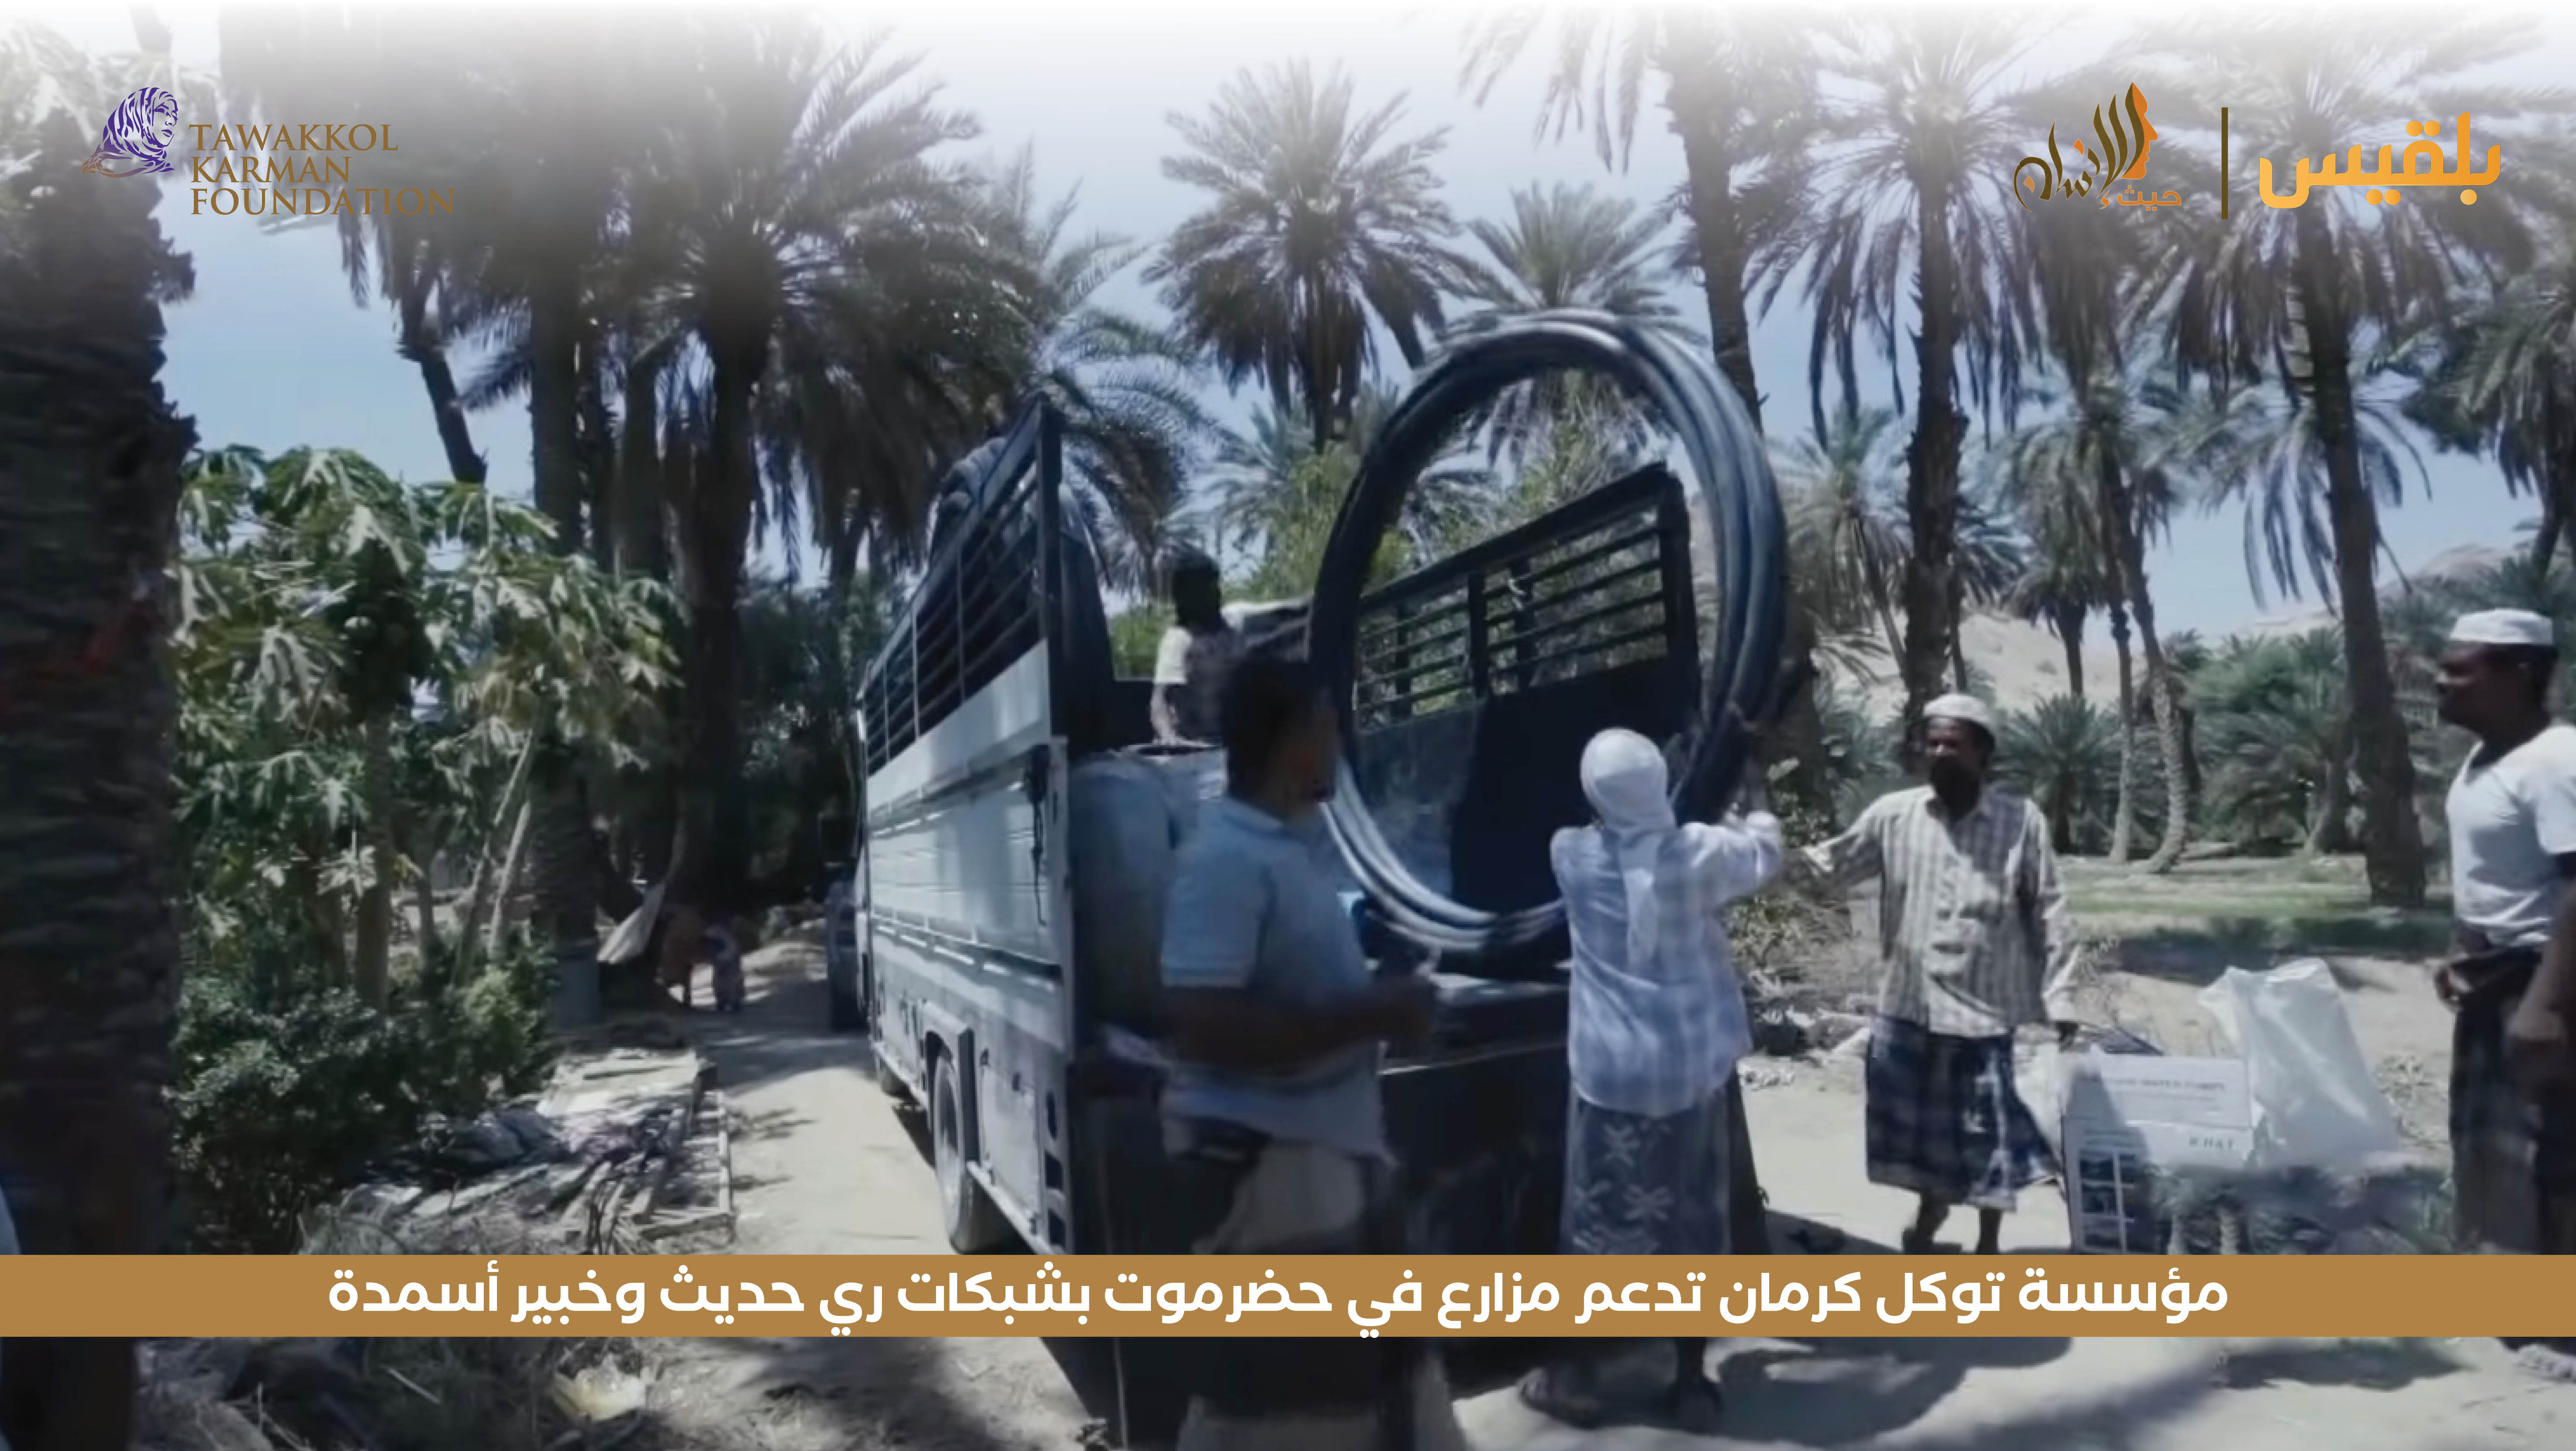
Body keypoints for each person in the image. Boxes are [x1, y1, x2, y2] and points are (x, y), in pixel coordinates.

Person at [1157, 655, 1461, 1451]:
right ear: (1295, 740)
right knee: (1283, 1414)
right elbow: (1201, 1023)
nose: (1338, 743)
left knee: (1391, 1389)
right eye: (1329, 726)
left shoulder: (1281, 849)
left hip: (1330, 1158)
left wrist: (1378, 1004)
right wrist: (1374, 1012)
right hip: (1274, 1175)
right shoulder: (1226, 859)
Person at [1520, 727, 1782, 1433]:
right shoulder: (1699, 853)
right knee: (1693, 1221)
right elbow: (1764, 851)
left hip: (1610, 1077)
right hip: (1689, 1074)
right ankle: (1691, 1382)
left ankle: (1577, 1375)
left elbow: (1609, 829)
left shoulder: (1570, 854)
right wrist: (1749, 777)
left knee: (1597, 1225)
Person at [1798, 693, 2081, 1255]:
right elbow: (1829, 866)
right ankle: (1928, 1217)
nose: (1940, 753)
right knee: (1922, 1139)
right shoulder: (1893, 815)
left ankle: (1987, 1244)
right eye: (1931, 743)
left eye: (1953, 743)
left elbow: (2048, 908)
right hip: (1910, 1006)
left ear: (1982, 752)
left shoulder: (2019, 821)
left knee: (1987, 1138)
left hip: (1984, 1013)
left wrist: (2061, 995)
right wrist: (1746, 854)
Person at [2431, 608, 2576, 1379]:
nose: (2441, 680)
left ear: (2521, 672)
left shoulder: (2556, 759)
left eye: (2461, 669)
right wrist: (2463, 950)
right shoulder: (2485, 759)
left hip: (2549, 979)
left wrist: (2547, 1002)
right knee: (2494, 1143)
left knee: (2554, 1149)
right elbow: (2490, 875)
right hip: (2496, 979)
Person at [1153, 548, 1247, 746]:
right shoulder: (1178, 640)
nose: (1216, 593)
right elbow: (1160, 700)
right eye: (1206, 588)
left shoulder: (1234, 625)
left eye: (1215, 585)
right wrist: (1169, 738)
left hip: (1235, 742)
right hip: (1197, 747)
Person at [707, 915, 747, 1014]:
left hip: (725, 958)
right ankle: (729, 1001)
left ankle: (728, 1001)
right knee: (728, 979)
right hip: (724, 958)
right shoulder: (717, 931)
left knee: (727, 979)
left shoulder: (717, 931)